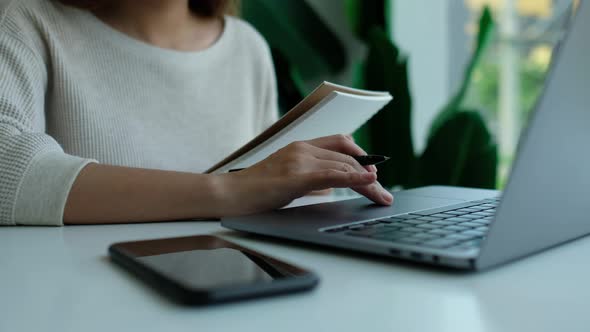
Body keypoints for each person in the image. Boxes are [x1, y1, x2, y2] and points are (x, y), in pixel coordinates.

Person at [0, 0, 393, 226]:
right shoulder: (26, 21)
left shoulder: (247, 47)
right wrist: (233, 191)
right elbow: (8, 171)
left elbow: (263, 196)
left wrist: (307, 190)